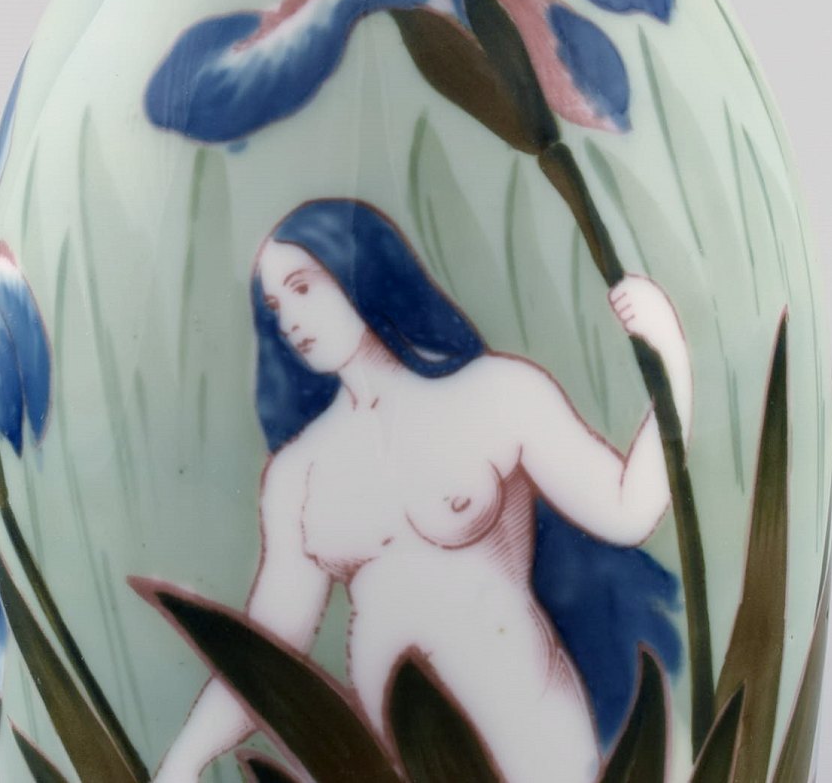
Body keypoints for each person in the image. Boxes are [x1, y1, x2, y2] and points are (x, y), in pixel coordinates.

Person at [153, 198, 692, 783]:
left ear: (359, 269)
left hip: (531, 735)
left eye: (303, 287)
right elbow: (268, 649)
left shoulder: (494, 393)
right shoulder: (297, 473)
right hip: (393, 758)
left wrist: (673, 354)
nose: (289, 320)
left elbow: (627, 511)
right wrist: (181, 763)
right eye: (275, 305)